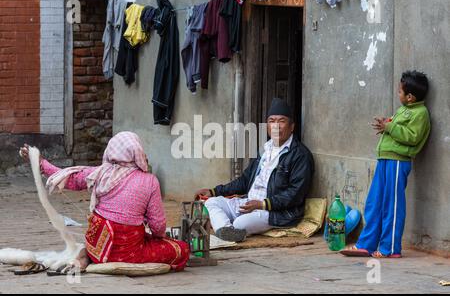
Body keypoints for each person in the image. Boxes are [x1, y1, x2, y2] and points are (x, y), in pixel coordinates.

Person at [20, 131, 189, 272]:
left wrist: (40, 162)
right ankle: (102, 256)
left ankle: (88, 255)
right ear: (137, 152)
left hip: (97, 247)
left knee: (140, 236)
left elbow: (67, 178)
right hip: (128, 252)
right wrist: (160, 239)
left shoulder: (100, 173)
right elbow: (158, 226)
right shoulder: (149, 181)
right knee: (181, 249)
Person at [195, 98, 315, 242]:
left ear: (292, 126)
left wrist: (262, 204)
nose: (276, 126)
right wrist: (214, 191)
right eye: (271, 121)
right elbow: (245, 180)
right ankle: (226, 231)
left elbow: (295, 194)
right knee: (212, 202)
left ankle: (228, 229)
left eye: (281, 121)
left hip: (275, 212)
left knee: (240, 223)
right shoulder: (265, 149)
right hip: (250, 204)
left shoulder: (300, 155)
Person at [341, 70, 431, 258]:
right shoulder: (404, 110)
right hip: (385, 160)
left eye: (400, 91)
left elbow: (413, 137)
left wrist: (390, 127)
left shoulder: (420, 113)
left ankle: (389, 248)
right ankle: (366, 244)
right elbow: (397, 130)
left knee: (392, 205)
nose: (398, 94)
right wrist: (387, 125)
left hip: (398, 162)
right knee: (374, 203)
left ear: (410, 97)